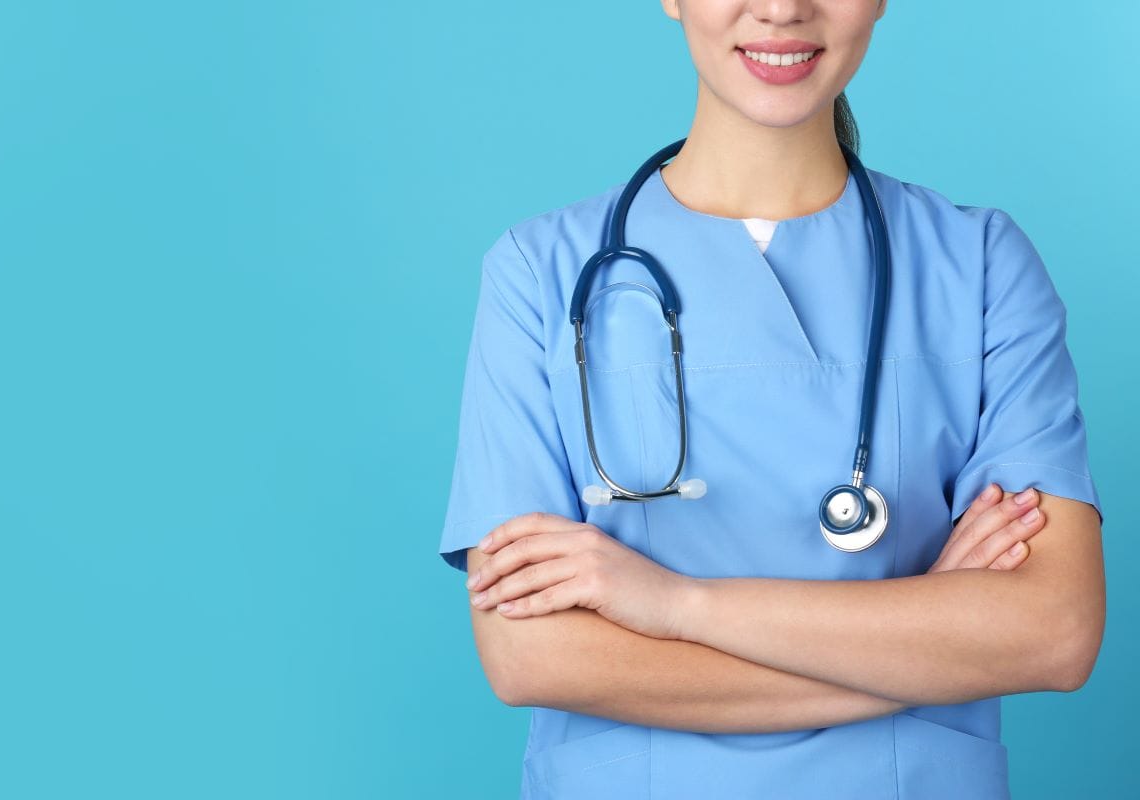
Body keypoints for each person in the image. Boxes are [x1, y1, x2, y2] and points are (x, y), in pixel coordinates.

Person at [438, 1, 1106, 797]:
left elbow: (1053, 632)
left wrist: (673, 603)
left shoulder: (982, 267)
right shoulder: (537, 274)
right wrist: (930, 640)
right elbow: (529, 657)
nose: (784, 8)